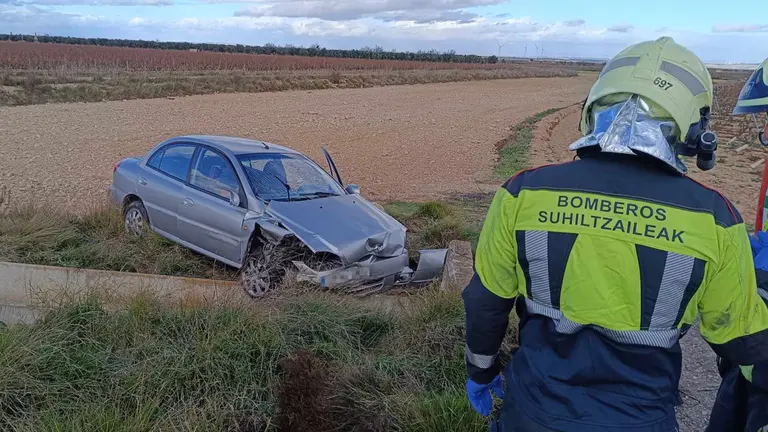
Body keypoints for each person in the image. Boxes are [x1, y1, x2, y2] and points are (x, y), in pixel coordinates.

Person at [462, 36, 768, 432]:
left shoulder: (523, 193)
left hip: (532, 412)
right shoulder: (714, 218)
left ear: (595, 106)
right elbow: (742, 338)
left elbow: (486, 302)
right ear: (694, 129)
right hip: (641, 420)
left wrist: (481, 372)